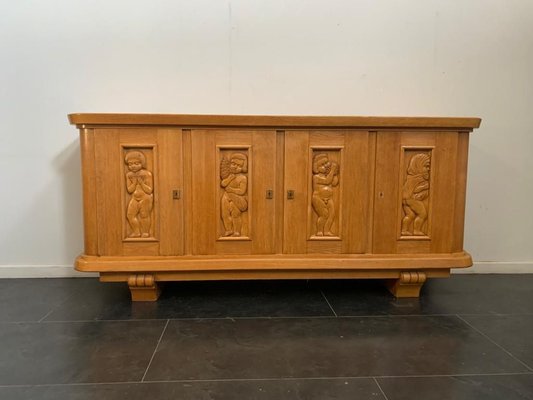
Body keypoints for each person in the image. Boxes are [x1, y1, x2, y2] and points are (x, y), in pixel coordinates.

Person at [125, 151, 154, 238]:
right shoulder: (129, 175)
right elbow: (130, 190)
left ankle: (145, 232)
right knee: (130, 215)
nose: (133, 166)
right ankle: (136, 232)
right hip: (135, 197)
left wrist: (141, 183)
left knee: (144, 215)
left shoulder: (147, 174)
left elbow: (149, 190)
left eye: (136, 163)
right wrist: (134, 183)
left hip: (145, 198)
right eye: (130, 164)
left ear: (142, 163)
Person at [401, 153, 431, 236]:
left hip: (405, 199)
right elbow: (416, 190)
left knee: (410, 215)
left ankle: (404, 230)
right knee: (423, 214)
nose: (428, 169)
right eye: (426, 166)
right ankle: (416, 231)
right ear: (418, 166)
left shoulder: (410, 177)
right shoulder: (419, 178)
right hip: (411, 199)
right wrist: (426, 186)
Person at [220, 153, 248, 237]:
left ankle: (237, 231)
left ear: (243, 167)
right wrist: (229, 178)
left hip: (236, 199)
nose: (235, 167)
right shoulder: (228, 175)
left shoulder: (243, 178)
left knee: (235, 215)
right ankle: (228, 230)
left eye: (239, 166)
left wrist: (231, 190)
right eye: (233, 164)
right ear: (229, 164)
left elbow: (242, 191)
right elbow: (223, 184)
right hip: (225, 197)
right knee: (225, 214)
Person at [311, 153, 339, 236]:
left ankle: (326, 231)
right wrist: (332, 171)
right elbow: (327, 181)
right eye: (322, 164)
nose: (326, 166)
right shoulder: (316, 177)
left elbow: (334, 183)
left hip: (329, 198)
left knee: (332, 215)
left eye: (326, 163)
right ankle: (319, 231)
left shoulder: (328, 174)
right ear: (316, 168)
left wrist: (334, 174)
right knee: (324, 215)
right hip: (318, 198)